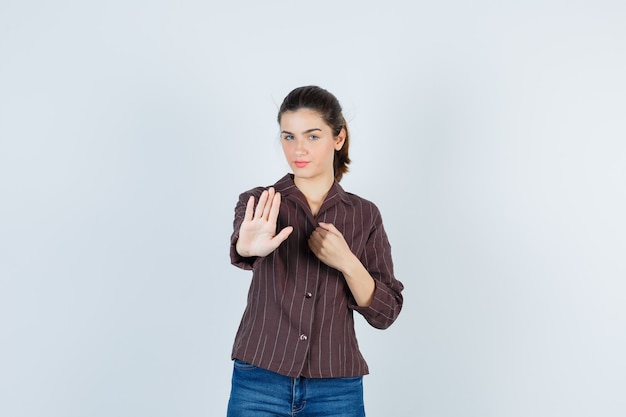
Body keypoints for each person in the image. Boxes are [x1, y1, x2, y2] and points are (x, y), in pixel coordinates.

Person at [227, 86, 404, 417]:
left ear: (338, 138)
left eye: (312, 136)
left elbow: (386, 312)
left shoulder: (365, 215)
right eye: (288, 137)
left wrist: (348, 263)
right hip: (259, 378)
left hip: (336, 387)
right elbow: (243, 245)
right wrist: (247, 246)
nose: (298, 149)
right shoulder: (259, 203)